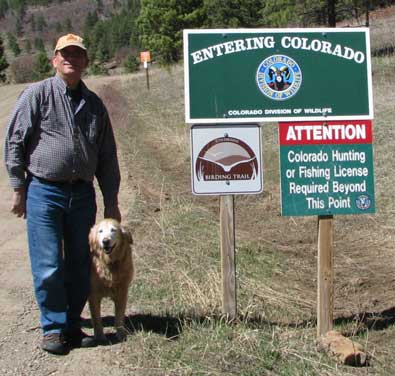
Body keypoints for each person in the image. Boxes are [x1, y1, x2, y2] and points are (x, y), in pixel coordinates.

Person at [4, 33, 121, 355]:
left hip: (83, 195)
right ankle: (52, 328)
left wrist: (111, 201)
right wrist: (18, 187)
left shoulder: (95, 105)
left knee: (81, 263)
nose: (71, 58)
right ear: (54, 59)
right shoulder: (37, 95)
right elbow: (15, 141)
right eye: (64, 53)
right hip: (44, 191)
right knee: (48, 264)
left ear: (85, 61)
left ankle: (72, 323)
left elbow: (107, 156)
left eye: (77, 53)